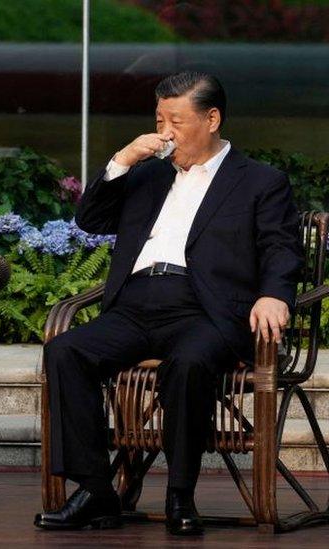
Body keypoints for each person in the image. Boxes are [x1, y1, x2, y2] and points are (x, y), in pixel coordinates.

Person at [34, 72, 302, 536]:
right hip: (136, 305)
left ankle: (181, 494)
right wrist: (121, 160)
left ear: (212, 118)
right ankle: (98, 491)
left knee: (189, 362)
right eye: (159, 120)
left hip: (206, 310)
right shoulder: (149, 173)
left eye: (175, 121)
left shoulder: (260, 181)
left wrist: (275, 294)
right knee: (65, 350)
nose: (164, 132)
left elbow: (281, 246)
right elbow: (91, 219)